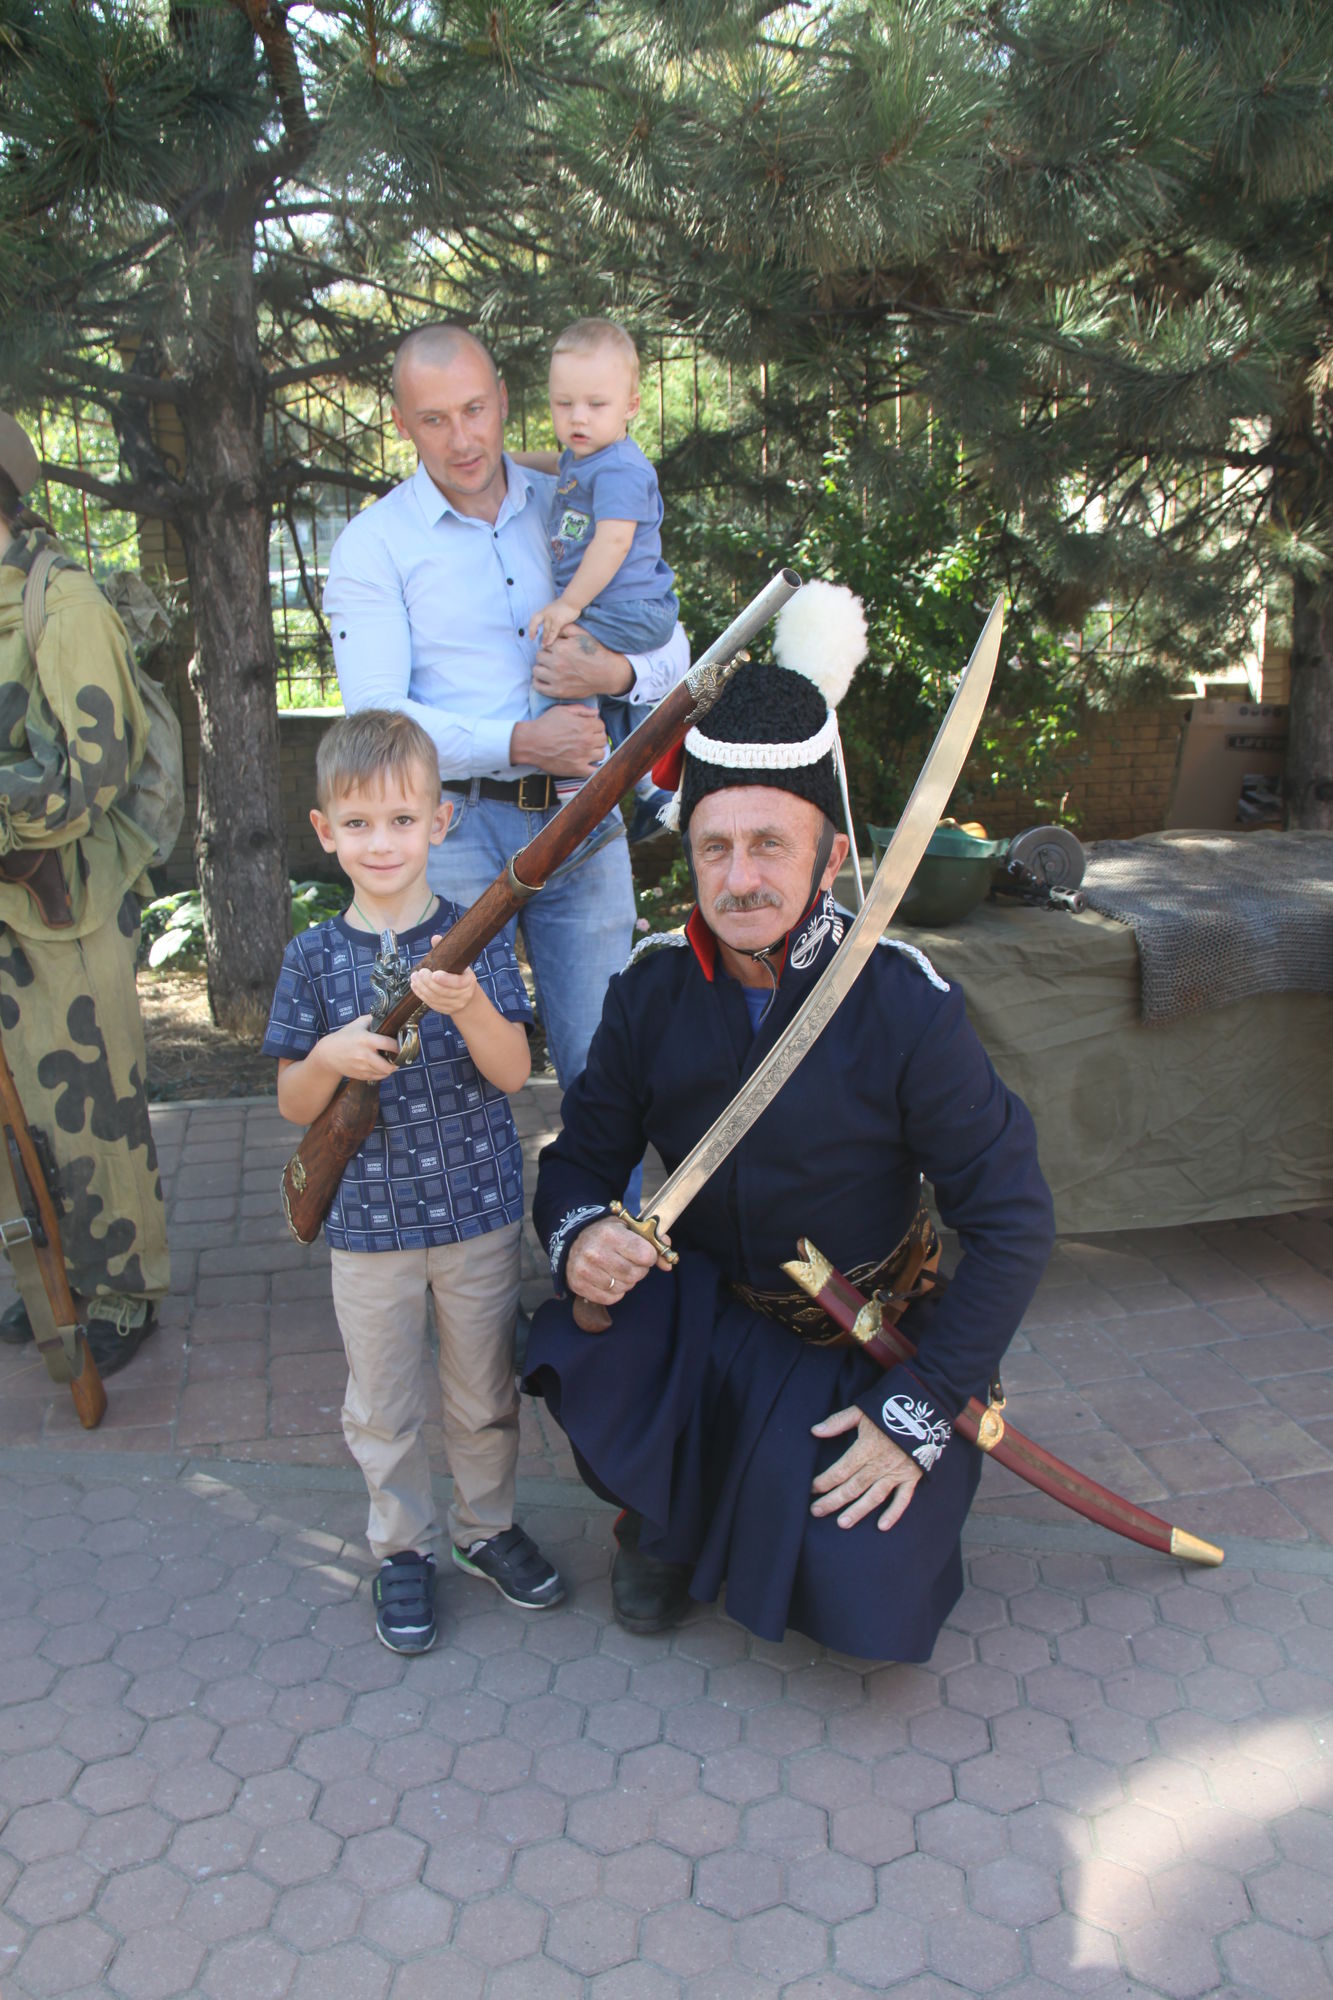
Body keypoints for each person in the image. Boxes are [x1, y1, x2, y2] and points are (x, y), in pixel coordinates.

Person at [524, 583, 1056, 1660]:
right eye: (714, 847)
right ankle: (660, 1512)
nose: (739, 878)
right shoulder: (649, 991)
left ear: (830, 854)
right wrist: (580, 1239)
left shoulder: (904, 1003)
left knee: (866, 1590)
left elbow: (1013, 1223)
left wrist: (920, 1406)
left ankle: (805, 1486)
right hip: (702, 1315)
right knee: (583, 1341)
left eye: (771, 844)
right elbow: (577, 1163)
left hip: (856, 1334)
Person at [322, 323, 691, 1098]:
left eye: (474, 410)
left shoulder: (576, 497)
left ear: (502, 399)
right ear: (400, 423)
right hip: (452, 834)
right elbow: (376, 719)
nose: (461, 439)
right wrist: (522, 740)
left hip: (584, 820)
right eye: (434, 419)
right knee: (456, 1073)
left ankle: (602, 1188)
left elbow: (670, 647)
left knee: (607, 1069)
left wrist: (615, 671)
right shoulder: (373, 544)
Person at [262, 710, 564, 1653]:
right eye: (358, 823)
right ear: (325, 832)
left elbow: (512, 1073)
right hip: (366, 1227)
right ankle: (401, 1548)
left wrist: (468, 1004)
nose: (381, 842)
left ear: (440, 822)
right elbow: (292, 1100)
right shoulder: (312, 955)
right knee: (382, 1404)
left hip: (474, 1214)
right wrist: (329, 1056)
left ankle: (486, 1528)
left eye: (401, 820)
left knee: (483, 1395)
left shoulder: (478, 935)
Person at [0, 413, 169, 1376]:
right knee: (17, 1107)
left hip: (65, 903)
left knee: (91, 1109)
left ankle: (121, 1287)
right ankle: (53, 1272)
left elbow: (89, 777)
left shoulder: (59, 606)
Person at [520, 318, 679, 807]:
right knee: (601, 687)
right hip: (618, 606)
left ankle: (580, 780)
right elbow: (557, 464)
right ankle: (647, 779)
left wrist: (568, 605)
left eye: (596, 404)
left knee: (559, 659)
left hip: (628, 608)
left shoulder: (620, 469)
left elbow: (612, 542)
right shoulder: (585, 456)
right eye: (563, 404)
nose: (578, 419)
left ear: (630, 406)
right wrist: (506, 461)